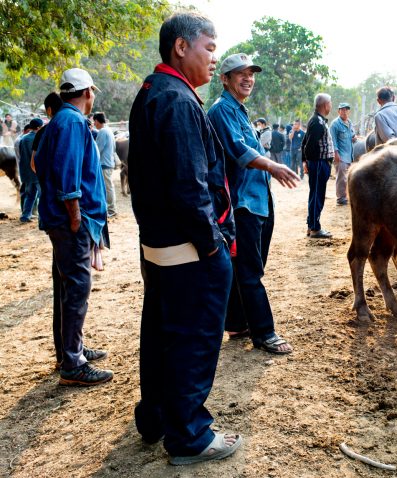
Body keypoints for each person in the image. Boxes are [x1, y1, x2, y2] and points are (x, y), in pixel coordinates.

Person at [127, 12, 242, 465]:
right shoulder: (176, 100)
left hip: (160, 246)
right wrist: (213, 246)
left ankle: (155, 417)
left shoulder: (154, 92)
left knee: (161, 335)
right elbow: (189, 187)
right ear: (181, 47)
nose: (214, 58)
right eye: (210, 48)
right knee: (193, 340)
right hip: (189, 248)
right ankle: (190, 435)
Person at [208, 52, 300, 354]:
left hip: (258, 200)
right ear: (225, 79)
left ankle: (236, 322)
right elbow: (237, 150)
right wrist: (273, 166)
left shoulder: (240, 110)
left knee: (246, 266)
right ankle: (264, 332)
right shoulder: (221, 110)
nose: (248, 78)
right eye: (240, 73)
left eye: (251, 73)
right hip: (243, 204)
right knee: (250, 270)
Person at [34, 68, 112, 386]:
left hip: (61, 219)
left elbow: (39, 164)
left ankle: (70, 351)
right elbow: (68, 172)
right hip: (70, 221)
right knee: (77, 287)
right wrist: (75, 214)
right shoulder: (73, 122)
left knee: (68, 287)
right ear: (88, 93)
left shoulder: (59, 121)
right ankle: (72, 362)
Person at [301, 93, 334, 239]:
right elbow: (308, 146)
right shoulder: (318, 123)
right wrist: (310, 162)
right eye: (330, 103)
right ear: (325, 105)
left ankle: (312, 225)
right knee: (317, 195)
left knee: (315, 194)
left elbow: (304, 142)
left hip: (318, 163)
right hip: (319, 163)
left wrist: (306, 161)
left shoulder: (317, 120)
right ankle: (315, 227)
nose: (331, 106)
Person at [17, 118, 43, 223]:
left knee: (30, 195)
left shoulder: (23, 138)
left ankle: (25, 216)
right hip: (37, 172)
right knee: (42, 196)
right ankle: (42, 218)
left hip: (26, 172)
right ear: (38, 128)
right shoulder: (38, 138)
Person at [330, 102, 355, 206]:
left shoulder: (349, 122)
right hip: (340, 155)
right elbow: (332, 140)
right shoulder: (335, 124)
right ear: (338, 111)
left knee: (348, 177)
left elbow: (352, 135)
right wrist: (336, 154)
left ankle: (346, 196)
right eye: (342, 109)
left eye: (346, 109)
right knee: (341, 177)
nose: (344, 111)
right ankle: (340, 198)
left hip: (349, 155)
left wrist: (354, 137)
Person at [93, 112, 117, 217]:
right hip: (109, 162)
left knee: (108, 187)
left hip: (104, 163)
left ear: (97, 121)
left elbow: (98, 149)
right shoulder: (109, 131)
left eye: (94, 121)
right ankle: (110, 209)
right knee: (108, 187)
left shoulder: (102, 131)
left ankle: (111, 210)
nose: (94, 124)